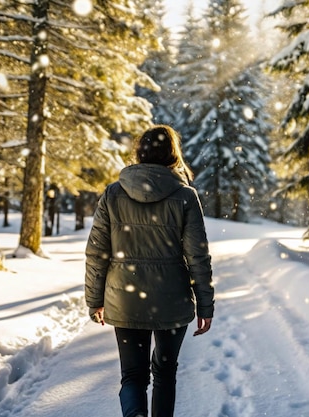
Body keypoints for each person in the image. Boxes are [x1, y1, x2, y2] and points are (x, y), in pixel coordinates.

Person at [84, 125, 214, 417]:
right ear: (172, 155)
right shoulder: (185, 196)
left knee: (133, 375)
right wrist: (205, 304)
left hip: (125, 297)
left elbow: (96, 252)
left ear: (139, 153)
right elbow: (198, 257)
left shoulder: (114, 194)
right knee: (165, 373)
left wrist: (95, 300)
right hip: (171, 300)